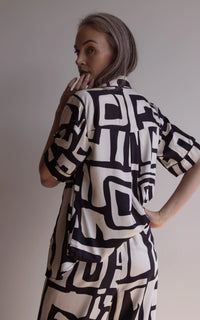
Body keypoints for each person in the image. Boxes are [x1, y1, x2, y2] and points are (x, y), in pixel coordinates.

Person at [37, 12, 200, 320]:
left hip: (84, 259)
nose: (80, 60)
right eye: (77, 51)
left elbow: (47, 176)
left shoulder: (82, 104)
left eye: (90, 49)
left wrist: (61, 111)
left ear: (117, 52)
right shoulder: (147, 109)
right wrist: (162, 217)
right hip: (139, 259)